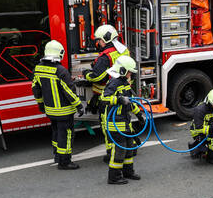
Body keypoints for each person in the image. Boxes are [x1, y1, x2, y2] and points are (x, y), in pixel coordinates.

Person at [32, 40, 83, 170]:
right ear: (59, 53)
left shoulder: (38, 68)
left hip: (50, 110)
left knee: (56, 132)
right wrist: (79, 105)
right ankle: (65, 162)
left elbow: (35, 88)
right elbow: (69, 91)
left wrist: (40, 104)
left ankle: (57, 155)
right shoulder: (61, 71)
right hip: (64, 111)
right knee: (66, 135)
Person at [85, 24, 130, 160]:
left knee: (107, 126)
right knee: (125, 122)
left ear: (104, 39)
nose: (98, 43)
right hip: (124, 92)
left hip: (108, 97)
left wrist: (86, 74)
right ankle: (130, 148)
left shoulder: (105, 56)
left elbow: (97, 77)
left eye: (99, 40)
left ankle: (112, 153)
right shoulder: (124, 50)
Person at [100, 56, 145, 184]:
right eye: (129, 72)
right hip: (115, 123)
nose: (131, 74)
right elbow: (104, 99)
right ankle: (113, 176)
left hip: (125, 122)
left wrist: (139, 115)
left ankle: (128, 171)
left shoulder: (125, 83)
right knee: (120, 150)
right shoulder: (114, 83)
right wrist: (118, 100)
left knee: (130, 147)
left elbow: (131, 103)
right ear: (122, 71)